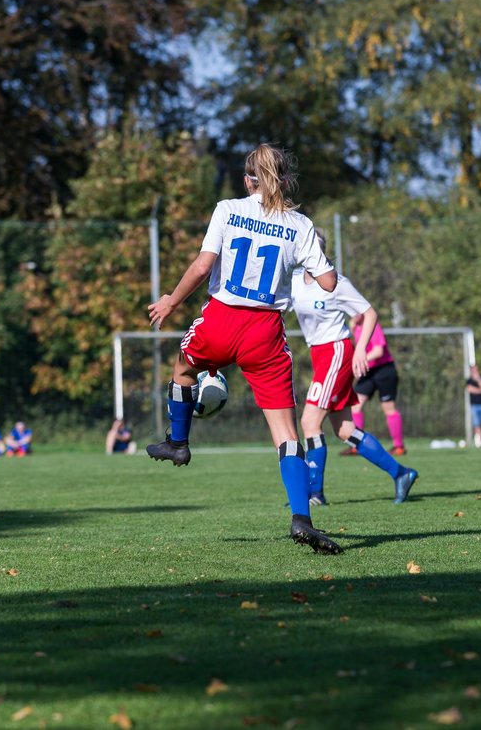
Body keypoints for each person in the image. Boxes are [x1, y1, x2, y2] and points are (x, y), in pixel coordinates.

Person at [145, 143, 343, 554]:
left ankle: (179, 442)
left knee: (183, 370)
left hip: (222, 317)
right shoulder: (300, 224)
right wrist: (322, 264)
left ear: (248, 178)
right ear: (285, 179)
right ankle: (301, 519)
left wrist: (170, 301)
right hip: (265, 332)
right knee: (287, 435)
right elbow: (327, 283)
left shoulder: (228, 209)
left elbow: (202, 266)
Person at [290, 231, 418, 505]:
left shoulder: (336, 283)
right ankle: (401, 473)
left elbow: (369, 313)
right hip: (319, 355)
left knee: (309, 422)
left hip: (337, 351)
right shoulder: (294, 283)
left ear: (322, 253)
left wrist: (360, 349)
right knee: (345, 430)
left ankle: (315, 494)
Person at [344, 315, 407, 456]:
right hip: (369, 371)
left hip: (384, 370)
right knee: (355, 405)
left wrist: (360, 360)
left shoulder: (372, 324)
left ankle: (399, 447)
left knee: (388, 408)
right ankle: (356, 445)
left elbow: (378, 351)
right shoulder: (354, 326)